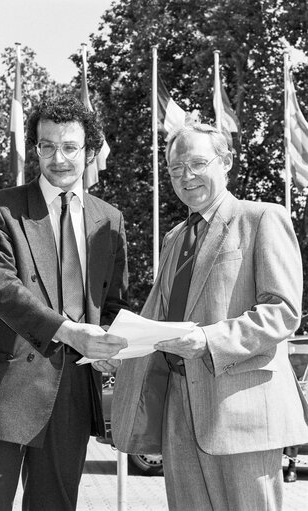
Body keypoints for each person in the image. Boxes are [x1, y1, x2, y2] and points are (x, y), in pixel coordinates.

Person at [111, 122, 308, 510]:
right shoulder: (173, 239)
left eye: (198, 163)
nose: (187, 176)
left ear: (227, 162)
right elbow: (161, 318)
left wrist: (207, 340)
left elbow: (282, 311)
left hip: (242, 414)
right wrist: (118, 349)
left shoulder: (262, 218)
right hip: (179, 410)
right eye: (175, 168)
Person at [0, 93, 128, 511]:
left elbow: (112, 301)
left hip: (72, 392)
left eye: (70, 146)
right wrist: (69, 331)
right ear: (35, 148)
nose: (59, 158)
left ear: (89, 151)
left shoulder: (110, 219)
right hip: (2, 390)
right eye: (47, 145)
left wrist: (112, 344)